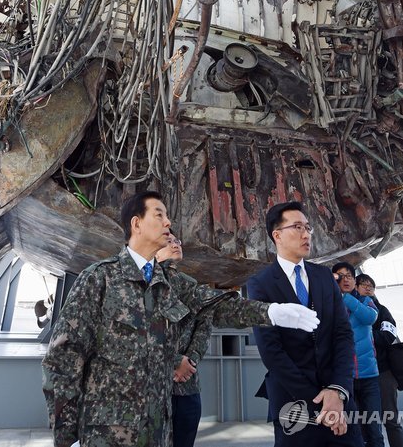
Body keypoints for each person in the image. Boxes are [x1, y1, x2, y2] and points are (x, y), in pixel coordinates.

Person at [42, 191, 320, 447]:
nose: (168, 222)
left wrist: (270, 312)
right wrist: (66, 437)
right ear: (136, 224)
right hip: (107, 433)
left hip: (158, 432)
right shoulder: (99, 278)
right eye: (159, 215)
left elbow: (215, 307)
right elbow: (63, 358)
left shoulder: (170, 282)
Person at [247, 201, 364, 447]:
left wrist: (337, 391)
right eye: (298, 227)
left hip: (339, 401)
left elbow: (343, 334)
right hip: (294, 403)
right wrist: (319, 402)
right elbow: (271, 352)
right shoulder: (260, 284)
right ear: (277, 235)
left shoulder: (325, 276)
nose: (306, 234)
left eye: (308, 227)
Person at [156, 232, 212, 447]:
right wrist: (174, 361)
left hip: (187, 385)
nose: (175, 244)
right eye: (168, 241)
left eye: (177, 241)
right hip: (153, 388)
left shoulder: (191, 286)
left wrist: (190, 362)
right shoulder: (144, 284)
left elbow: (204, 326)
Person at [332, 262, 384, 447]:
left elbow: (370, 317)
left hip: (369, 376)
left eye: (349, 276)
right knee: (351, 430)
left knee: (374, 430)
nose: (345, 280)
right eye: (340, 276)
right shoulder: (329, 304)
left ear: (355, 281)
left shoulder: (364, 301)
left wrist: (346, 298)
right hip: (345, 378)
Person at [356, 274, 403, 447]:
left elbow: (389, 335)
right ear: (356, 287)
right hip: (360, 374)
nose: (368, 288)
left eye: (371, 285)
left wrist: (365, 335)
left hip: (383, 372)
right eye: (364, 284)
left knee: (391, 419)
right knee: (364, 421)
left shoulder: (382, 311)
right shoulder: (350, 310)